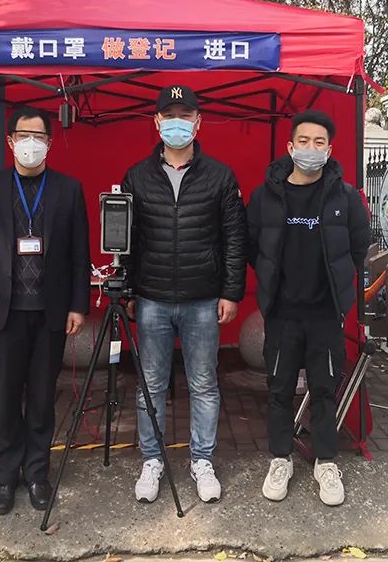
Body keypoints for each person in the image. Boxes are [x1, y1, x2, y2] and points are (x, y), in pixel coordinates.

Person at [121, 85, 246, 504]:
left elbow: (234, 238)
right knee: (151, 384)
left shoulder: (220, 176)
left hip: (203, 298)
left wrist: (230, 292)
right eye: (170, 115)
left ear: (198, 122)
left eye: (185, 115)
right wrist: (130, 289)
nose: (178, 123)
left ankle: (202, 460)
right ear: (156, 122)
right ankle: (152, 459)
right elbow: (129, 239)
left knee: (204, 383)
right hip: (152, 298)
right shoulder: (137, 176)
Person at [0, 106, 91, 515]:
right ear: (10, 141)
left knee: (41, 398)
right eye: (24, 136)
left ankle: (37, 473)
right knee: (5, 398)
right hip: (4, 313)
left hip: (50, 313)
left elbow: (79, 253)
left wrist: (78, 305)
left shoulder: (68, 189)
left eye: (39, 137)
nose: (31, 144)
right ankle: (4, 477)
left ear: (49, 144)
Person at [246, 109, 371, 506]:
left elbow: (359, 246)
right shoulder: (265, 196)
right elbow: (252, 246)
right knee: (279, 389)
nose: (311, 149)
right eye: (304, 141)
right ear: (290, 146)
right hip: (282, 314)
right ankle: (280, 459)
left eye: (319, 143)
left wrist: (337, 288)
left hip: (325, 315)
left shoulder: (345, 198)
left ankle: (326, 462)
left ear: (329, 150)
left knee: (324, 390)